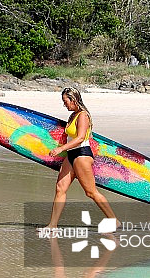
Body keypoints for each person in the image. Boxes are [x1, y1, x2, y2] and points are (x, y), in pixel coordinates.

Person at [46, 87, 120, 230]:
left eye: (65, 101)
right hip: (71, 155)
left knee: (90, 192)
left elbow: (80, 138)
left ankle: (114, 220)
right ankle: (52, 225)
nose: (64, 104)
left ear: (73, 99)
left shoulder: (83, 115)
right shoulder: (73, 116)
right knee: (60, 188)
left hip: (82, 154)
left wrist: (60, 149)